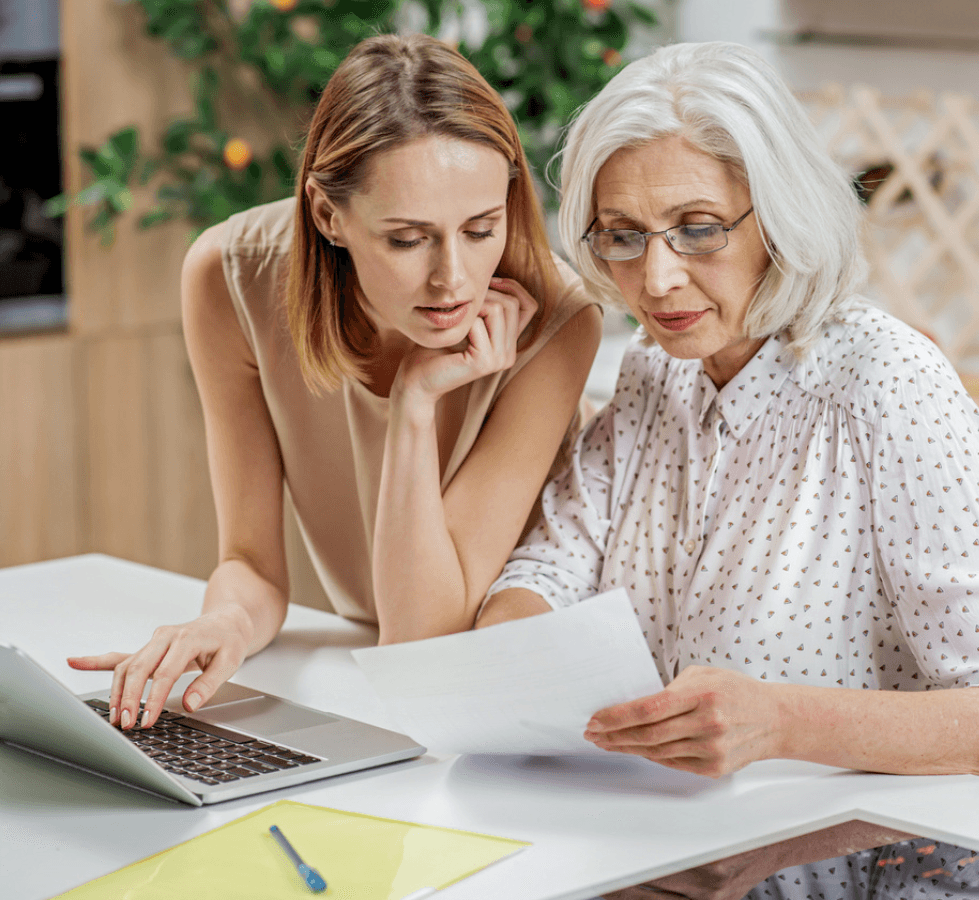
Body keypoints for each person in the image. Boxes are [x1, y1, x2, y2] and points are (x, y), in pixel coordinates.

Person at [481, 42, 979, 900]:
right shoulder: (657, 368)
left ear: (778, 215)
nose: (656, 279)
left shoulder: (888, 385)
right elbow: (551, 564)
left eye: (699, 228)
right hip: (665, 859)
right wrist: (503, 663)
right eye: (622, 237)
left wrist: (781, 720)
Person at [67, 33, 601, 732]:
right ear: (327, 214)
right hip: (379, 679)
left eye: (481, 228)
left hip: (513, 698)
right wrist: (225, 620)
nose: (454, 278)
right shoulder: (232, 280)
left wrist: (414, 404)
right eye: (408, 239)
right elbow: (251, 562)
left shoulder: (556, 322)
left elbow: (425, 646)